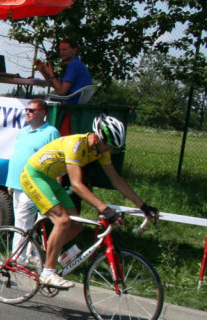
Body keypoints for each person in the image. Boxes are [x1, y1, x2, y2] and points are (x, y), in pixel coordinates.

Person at [20, 114, 158, 289]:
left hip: (50, 179)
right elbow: (77, 185)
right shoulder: (76, 144)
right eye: (109, 145)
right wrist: (104, 208)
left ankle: (44, 256)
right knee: (62, 221)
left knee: (77, 225)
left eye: (114, 148)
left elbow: (116, 179)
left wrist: (143, 205)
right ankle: (48, 273)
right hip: (34, 176)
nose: (110, 150)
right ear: (97, 137)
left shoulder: (99, 150)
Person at [5, 99, 59, 263]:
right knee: (22, 222)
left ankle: (17, 258)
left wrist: (55, 185)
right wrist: (10, 183)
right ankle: (31, 254)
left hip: (34, 184)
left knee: (22, 222)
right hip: (16, 183)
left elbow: (56, 160)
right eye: (26, 109)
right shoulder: (24, 131)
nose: (27, 112)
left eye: (32, 110)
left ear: (42, 113)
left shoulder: (50, 132)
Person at [34, 38, 93, 104]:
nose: (61, 52)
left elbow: (61, 92)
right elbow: (57, 87)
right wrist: (42, 71)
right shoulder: (76, 64)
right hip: (71, 101)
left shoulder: (74, 65)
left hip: (69, 102)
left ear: (74, 50)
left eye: (64, 50)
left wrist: (51, 73)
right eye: (60, 50)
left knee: (31, 99)